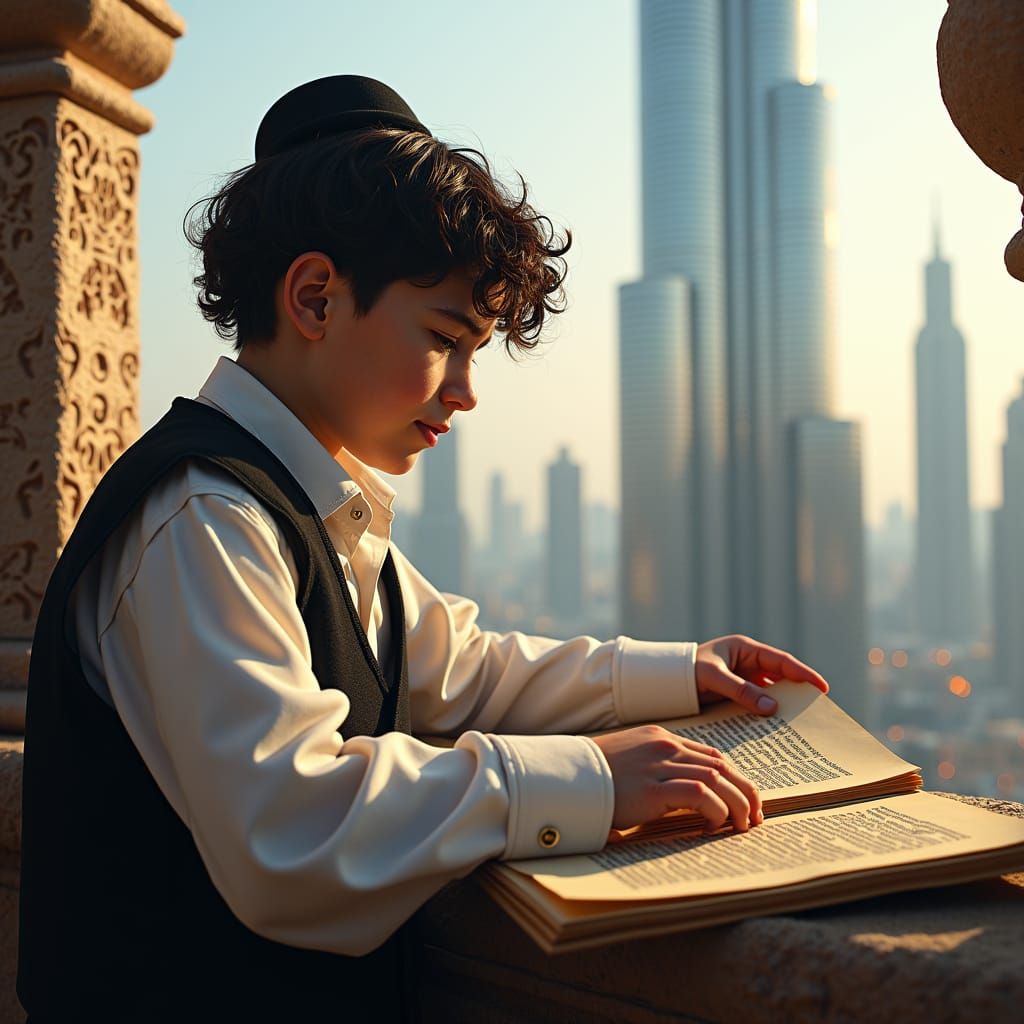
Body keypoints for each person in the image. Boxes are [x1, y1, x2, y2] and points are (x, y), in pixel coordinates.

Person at [17, 75, 829, 1023]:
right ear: (315, 297)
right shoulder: (203, 518)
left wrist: (685, 673)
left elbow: (463, 669)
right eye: (447, 339)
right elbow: (291, 825)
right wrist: (596, 780)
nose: (466, 391)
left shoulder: (314, 509)